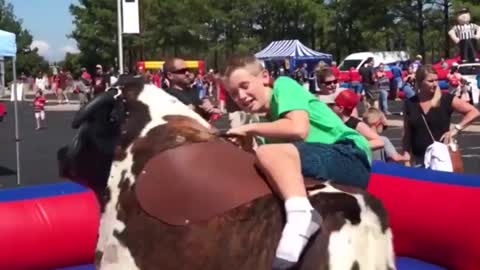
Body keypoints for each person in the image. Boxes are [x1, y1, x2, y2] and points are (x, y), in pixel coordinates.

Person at [223, 55, 372, 269]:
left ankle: (302, 215)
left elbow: (298, 129)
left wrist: (248, 129)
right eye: (234, 94)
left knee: (268, 153)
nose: (241, 96)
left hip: (349, 154)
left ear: (264, 77)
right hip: (322, 163)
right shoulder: (268, 128)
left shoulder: (284, 85)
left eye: (245, 86)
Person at [402, 65, 479, 166]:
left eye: (436, 80)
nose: (435, 84)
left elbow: (474, 112)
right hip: (419, 161)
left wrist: (456, 129)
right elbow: (407, 134)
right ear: (420, 82)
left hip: (442, 160)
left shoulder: (445, 99)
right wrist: (406, 158)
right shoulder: (410, 104)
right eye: (430, 81)